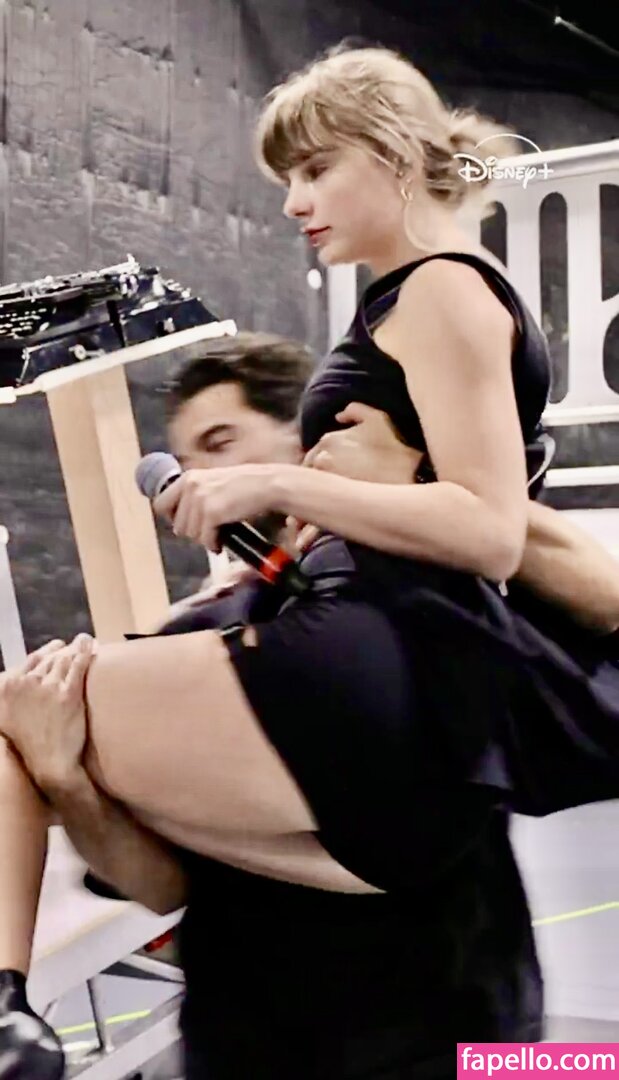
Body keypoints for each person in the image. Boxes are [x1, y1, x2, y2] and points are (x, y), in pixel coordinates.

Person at [1, 42, 619, 1079]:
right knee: (40, 731)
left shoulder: (441, 291)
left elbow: (489, 530)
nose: (294, 202)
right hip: (316, 981)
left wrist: (279, 489)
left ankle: (8, 1006)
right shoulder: (419, 304)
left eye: (316, 169)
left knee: (23, 707)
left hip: (368, 662)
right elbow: (167, 885)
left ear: (391, 153)